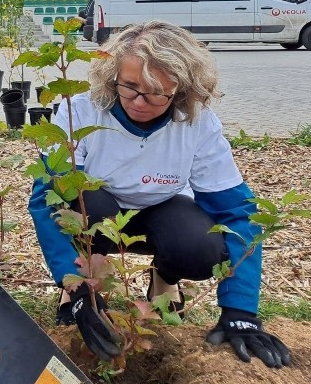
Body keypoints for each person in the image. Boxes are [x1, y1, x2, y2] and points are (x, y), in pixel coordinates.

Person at [28, 21, 290, 368]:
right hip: (98, 213)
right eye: (130, 86)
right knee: (81, 204)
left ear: (181, 89)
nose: (139, 101)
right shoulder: (80, 113)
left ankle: (165, 278)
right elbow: (47, 200)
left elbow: (237, 213)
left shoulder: (197, 123)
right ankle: (85, 282)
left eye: (156, 93)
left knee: (202, 248)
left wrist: (241, 311)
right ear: (113, 77)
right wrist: (75, 289)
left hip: (161, 211)